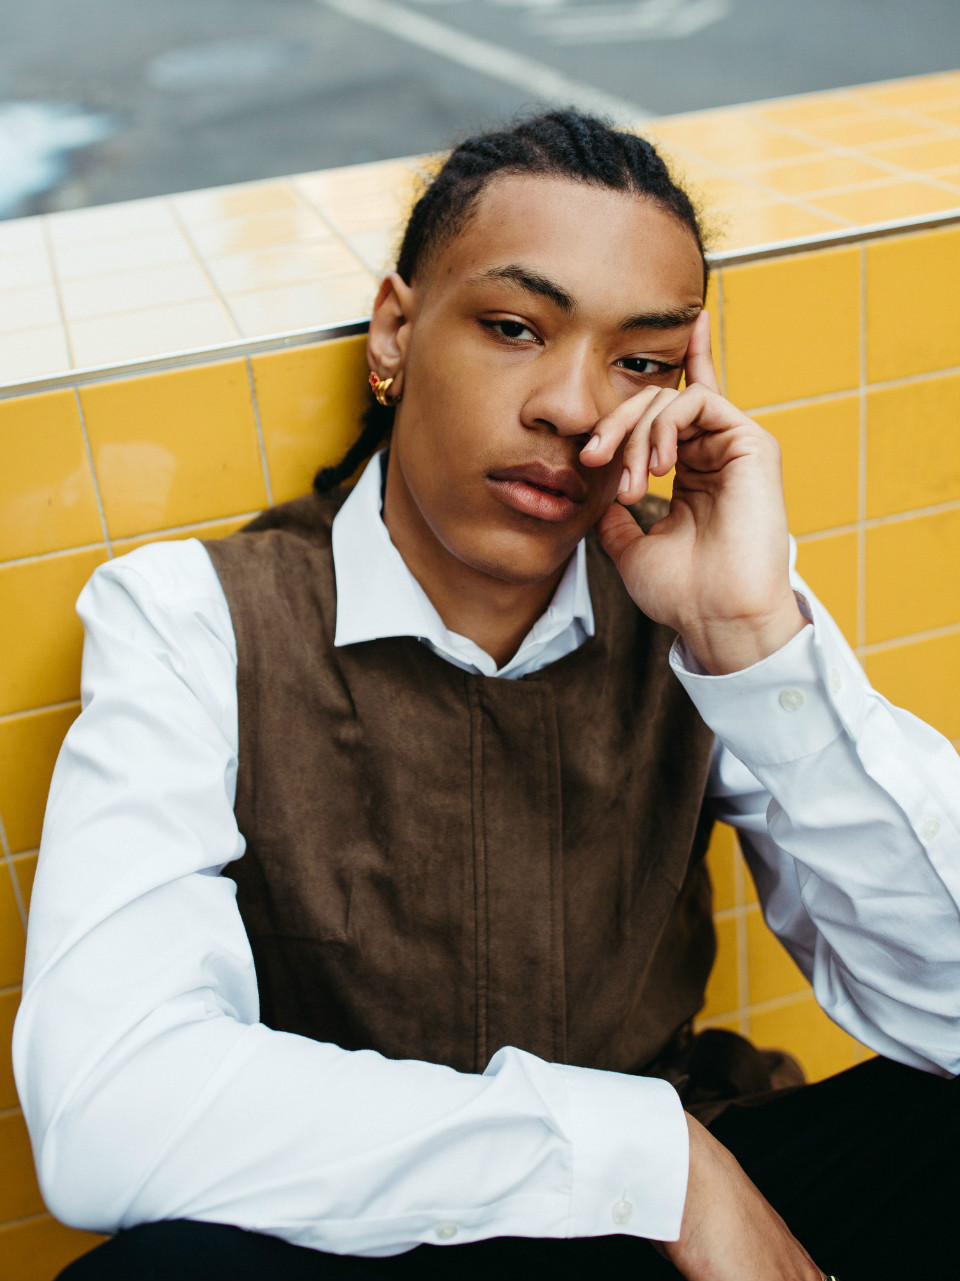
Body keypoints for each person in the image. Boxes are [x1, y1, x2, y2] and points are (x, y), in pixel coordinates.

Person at [13, 112, 959, 1281]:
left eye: (642, 362)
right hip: (374, 1233)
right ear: (395, 332)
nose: (574, 406)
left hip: (657, 1243)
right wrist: (652, 1159)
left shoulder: (700, 606)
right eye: (515, 328)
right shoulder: (194, 618)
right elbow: (111, 1108)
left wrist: (750, 642)